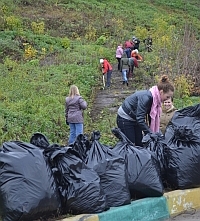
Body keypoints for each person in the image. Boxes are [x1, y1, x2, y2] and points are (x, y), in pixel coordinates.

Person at [116, 75, 174, 146]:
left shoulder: (155, 101)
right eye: (167, 96)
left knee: (140, 144)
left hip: (134, 118)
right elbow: (140, 119)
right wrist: (151, 134)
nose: (167, 99)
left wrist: (154, 134)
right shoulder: (146, 98)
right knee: (130, 146)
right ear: (161, 92)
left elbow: (150, 117)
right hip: (125, 118)